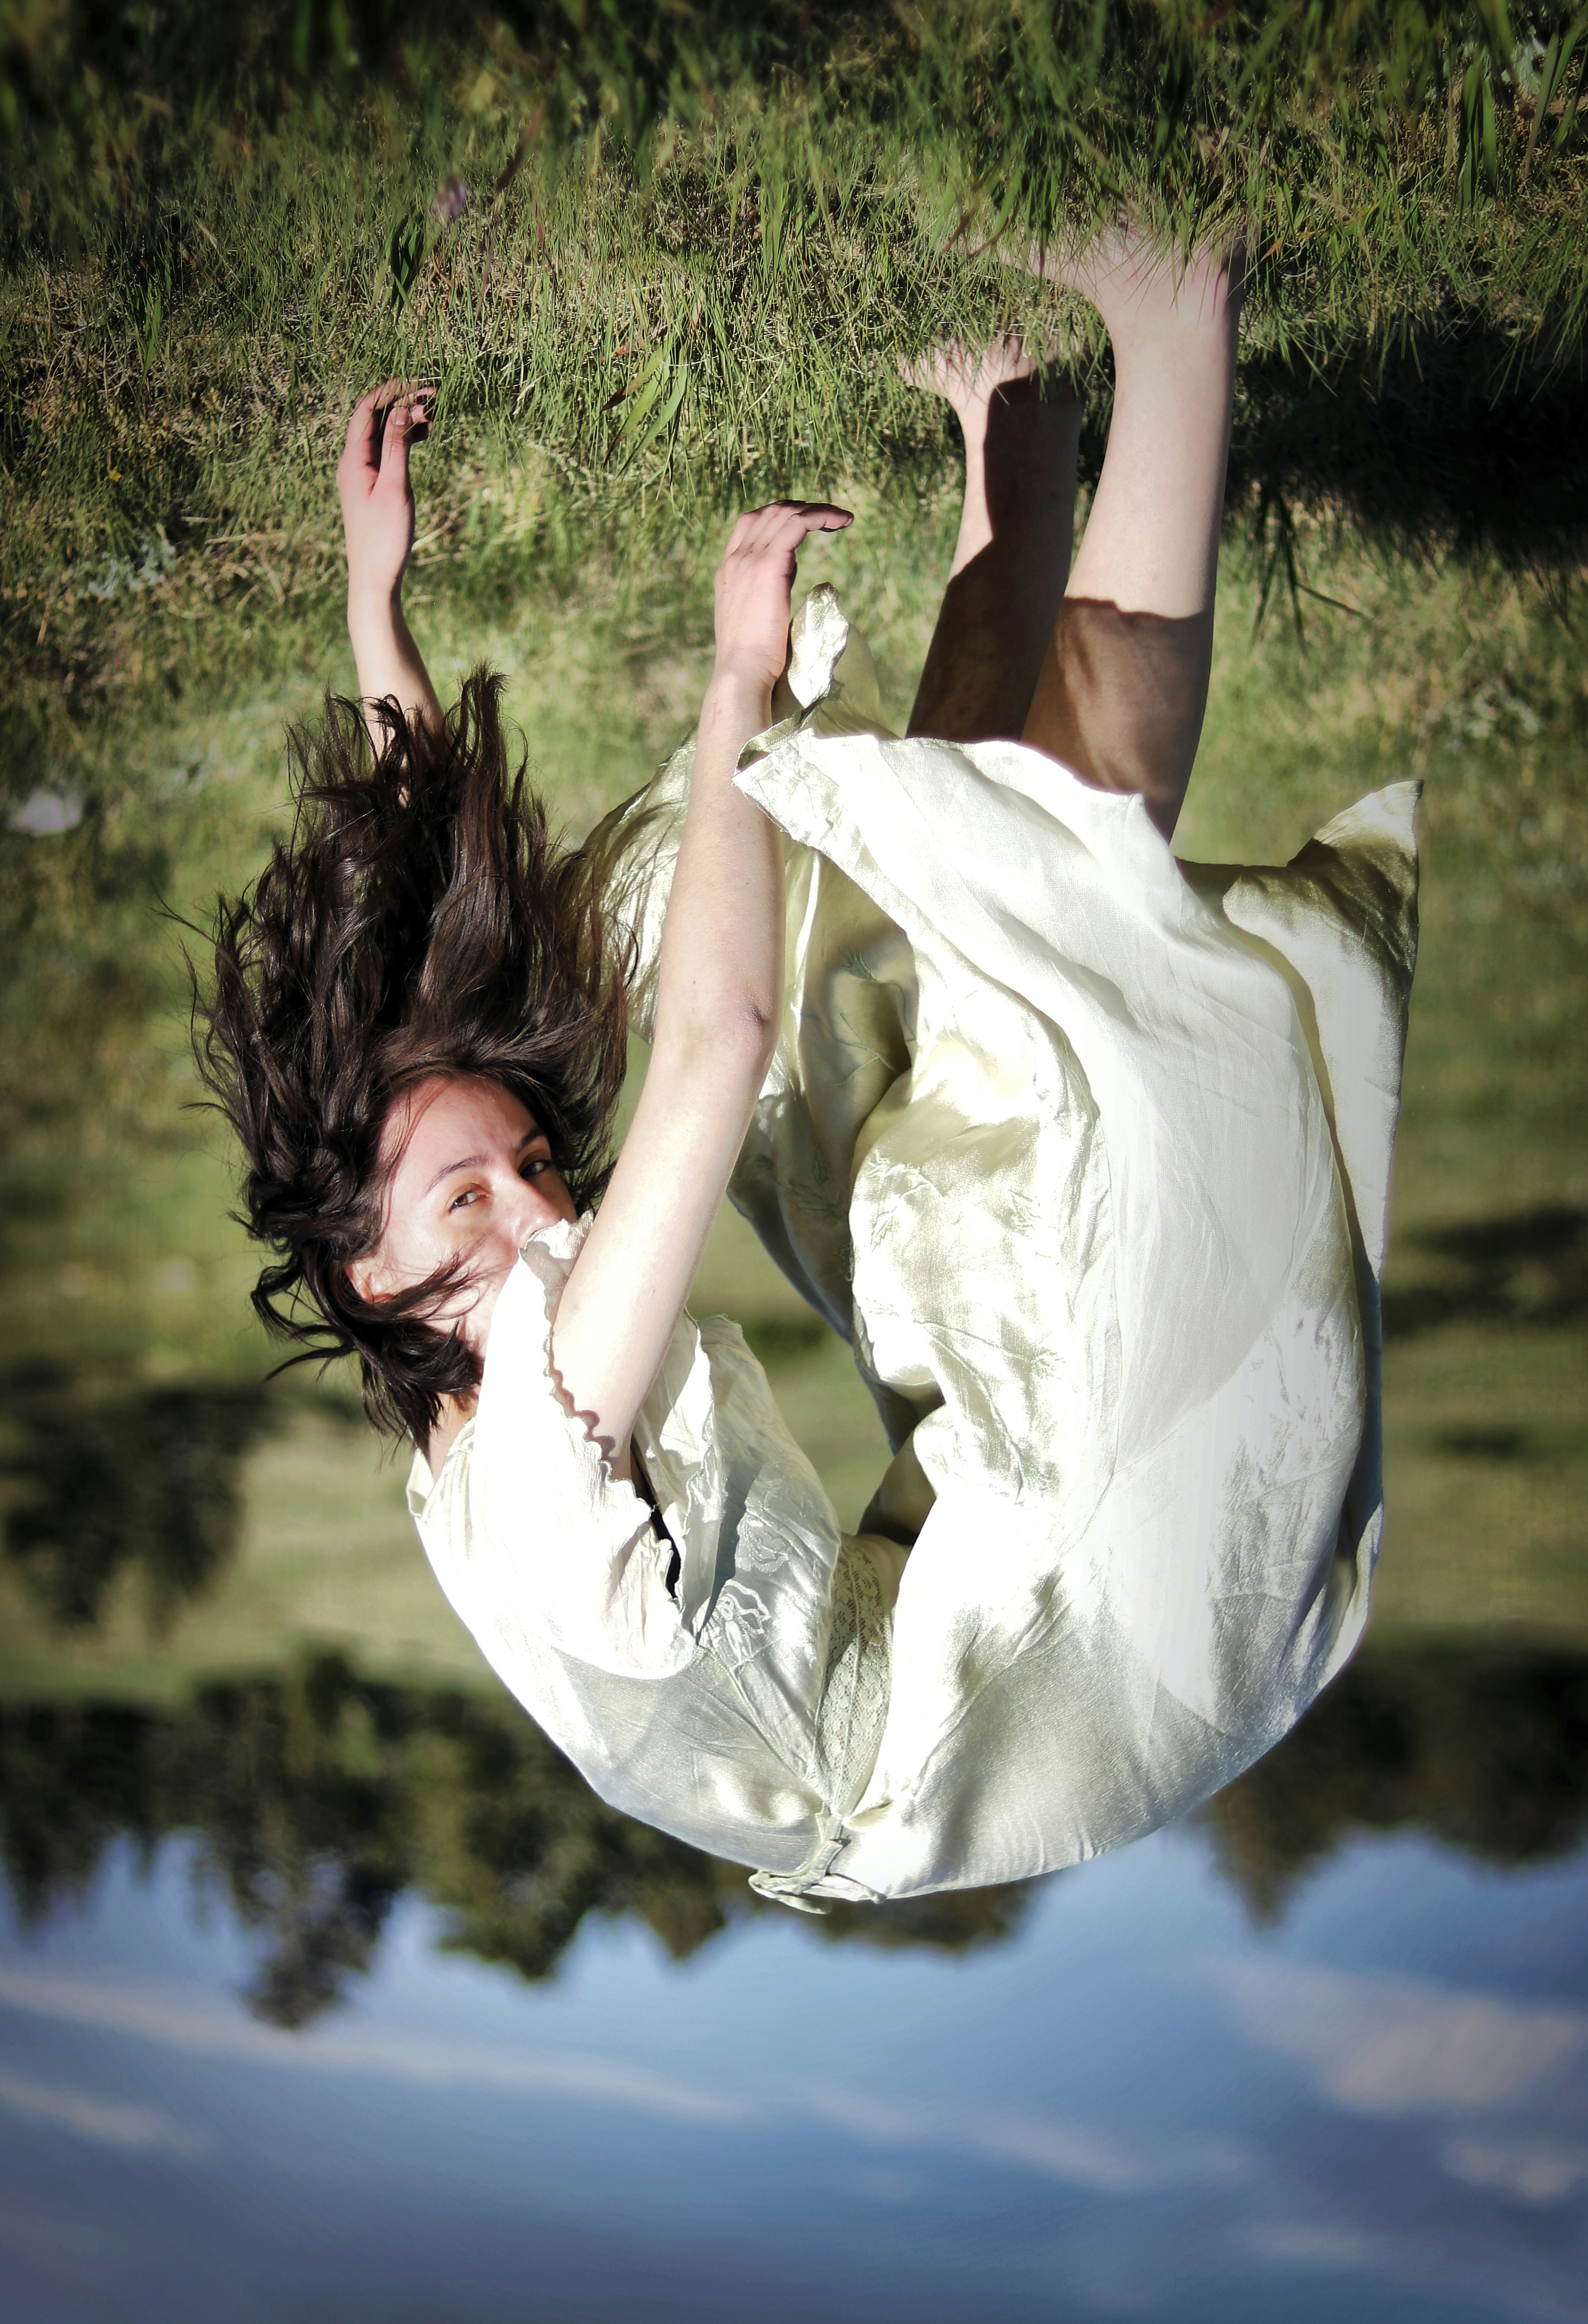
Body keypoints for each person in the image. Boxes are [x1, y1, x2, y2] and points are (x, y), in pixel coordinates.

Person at [200, 233, 1418, 1908]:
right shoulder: (538, 1430)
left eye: (514, 1167)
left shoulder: (460, 1400)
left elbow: (421, 955)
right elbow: (715, 1048)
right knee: (1032, 990)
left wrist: (372, 600)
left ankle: (1019, 427)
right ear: (373, 1277)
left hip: (917, 1635)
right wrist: (737, 684)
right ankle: (1174, 310)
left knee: (854, 972)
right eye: (482, 1196)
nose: (543, 1204)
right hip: (1086, 1664)